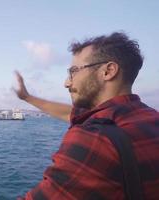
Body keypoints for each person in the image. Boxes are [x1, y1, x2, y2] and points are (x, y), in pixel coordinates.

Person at [14, 32, 159, 200]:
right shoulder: (147, 118)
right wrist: (27, 97)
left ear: (108, 71)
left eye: (73, 71)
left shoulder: (95, 138)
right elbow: (69, 113)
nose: (67, 83)